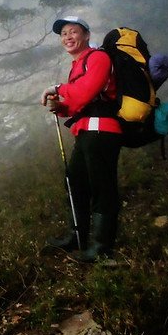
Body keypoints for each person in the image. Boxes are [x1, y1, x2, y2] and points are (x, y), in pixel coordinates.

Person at [40, 16, 122, 262]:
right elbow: (80, 103)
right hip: (87, 131)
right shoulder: (78, 65)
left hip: (103, 131)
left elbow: (87, 91)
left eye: (73, 31)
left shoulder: (98, 58)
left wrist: (57, 88)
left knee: (101, 186)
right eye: (63, 33)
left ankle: (101, 248)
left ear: (86, 35)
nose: (67, 37)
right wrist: (61, 109)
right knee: (74, 181)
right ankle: (77, 237)